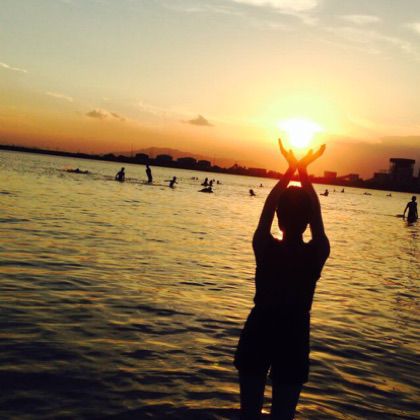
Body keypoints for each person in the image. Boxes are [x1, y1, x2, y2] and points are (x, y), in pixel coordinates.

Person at [234, 139, 330, 420]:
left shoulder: (264, 246)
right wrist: (303, 171)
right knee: (283, 416)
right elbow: (316, 213)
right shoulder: (316, 252)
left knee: (249, 414)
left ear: (278, 218)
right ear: (308, 221)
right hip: (294, 334)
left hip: (260, 327)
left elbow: (268, 206)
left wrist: (290, 170)